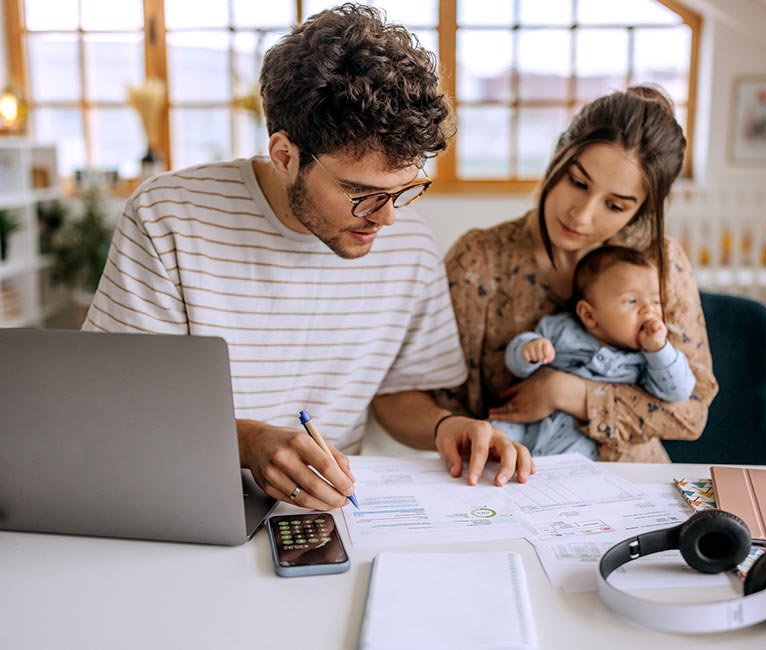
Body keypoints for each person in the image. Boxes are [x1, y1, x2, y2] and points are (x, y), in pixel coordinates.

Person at [83, 3, 533, 512]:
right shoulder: (169, 216)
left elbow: (397, 394)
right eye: (361, 193)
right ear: (284, 155)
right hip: (184, 497)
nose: (387, 218)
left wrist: (445, 426)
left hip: (330, 512)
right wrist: (247, 443)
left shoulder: (409, 243)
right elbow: (119, 403)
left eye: (403, 189)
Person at [434, 86, 719, 462]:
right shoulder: (478, 260)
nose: (581, 215)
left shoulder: (660, 262)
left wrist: (567, 392)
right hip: (507, 475)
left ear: (641, 210)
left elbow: (691, 412)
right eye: (578, 183)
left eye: (614, 206)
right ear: (558, 155)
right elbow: (435, 402)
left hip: (630, 482)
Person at [493, 245, 696, 459]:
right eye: (631, 301)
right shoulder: (561, 329)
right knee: (494, 435)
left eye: (656, 301)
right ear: (589, 315)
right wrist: (528, 350)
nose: (649, 310)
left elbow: (678, 391)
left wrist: (659, 350)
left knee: (576, 461)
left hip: (580, 436)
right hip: (529, 424)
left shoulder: (647, 359)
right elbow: (516, 366)